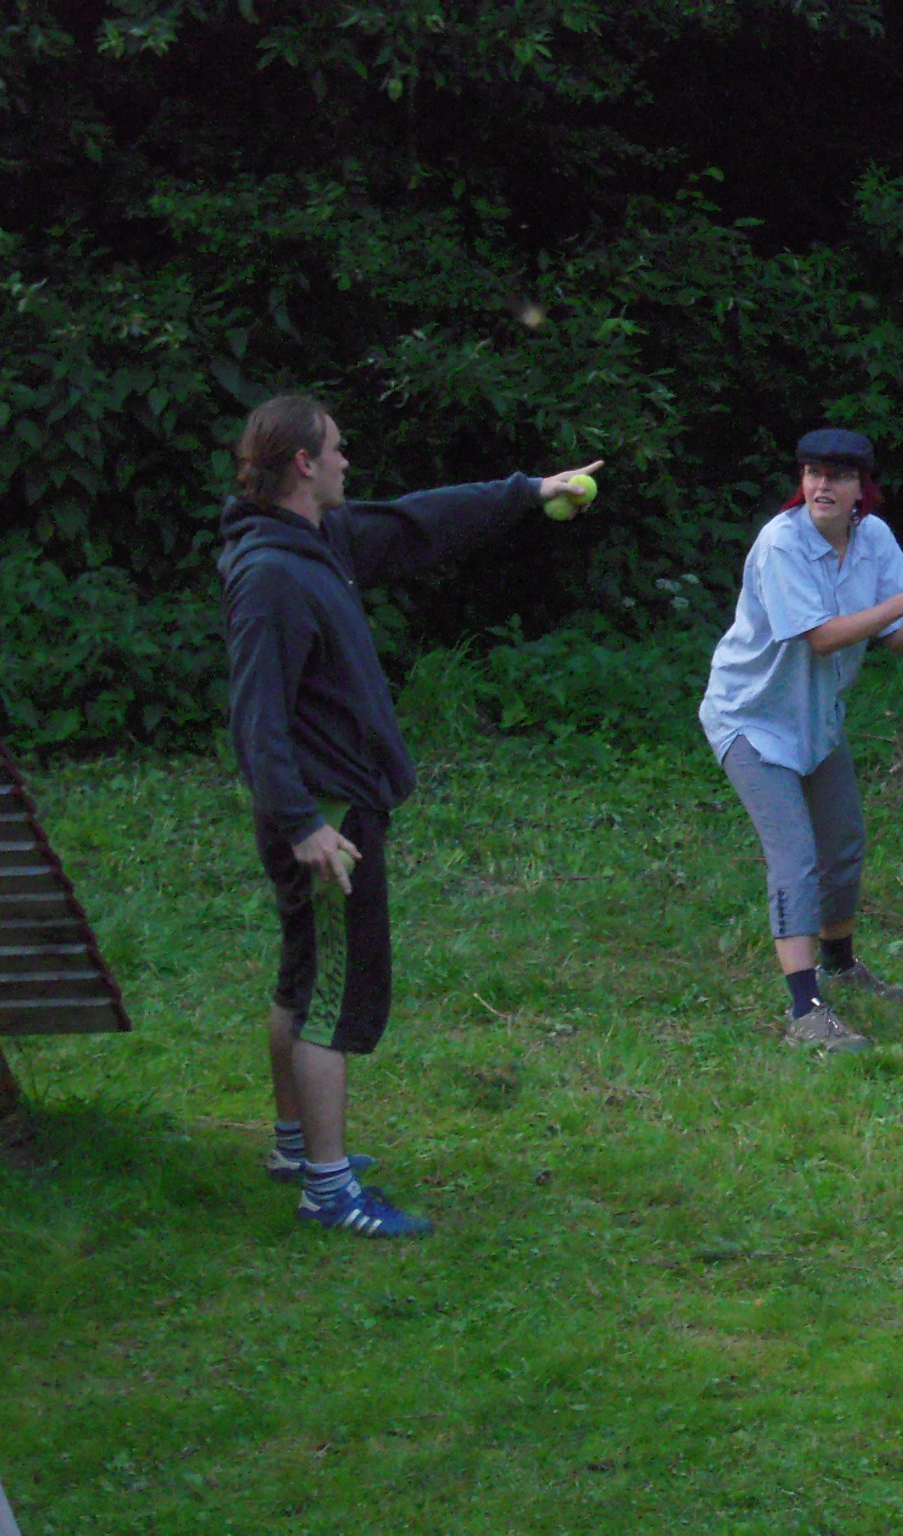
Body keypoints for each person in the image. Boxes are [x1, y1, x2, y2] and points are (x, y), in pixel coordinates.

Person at [220, 394, 603, 1236]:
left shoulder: (318, 540)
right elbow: (257, 721)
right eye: (337, 448)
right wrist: (303, 826)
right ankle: (328, 1191)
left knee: (301, 977)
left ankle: (294, 1146)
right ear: (303, 464)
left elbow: (420, 522)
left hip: (330, 807)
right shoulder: (271, 576)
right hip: (326, 820)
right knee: (333, 1000)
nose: (347, 460)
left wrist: (528, 491)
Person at [700, 429, 903, 1053]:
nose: (823, 485)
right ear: (802, 481)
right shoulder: (781, 543)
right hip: (751, 719)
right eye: (813, 473)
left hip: (816, 721)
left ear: (860, 489)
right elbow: (822, 637)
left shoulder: (872, 538)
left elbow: (894, 632)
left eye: (839, 476)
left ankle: (842, 967)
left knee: (843, 846)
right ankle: (806, 1011)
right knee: (795, 857)